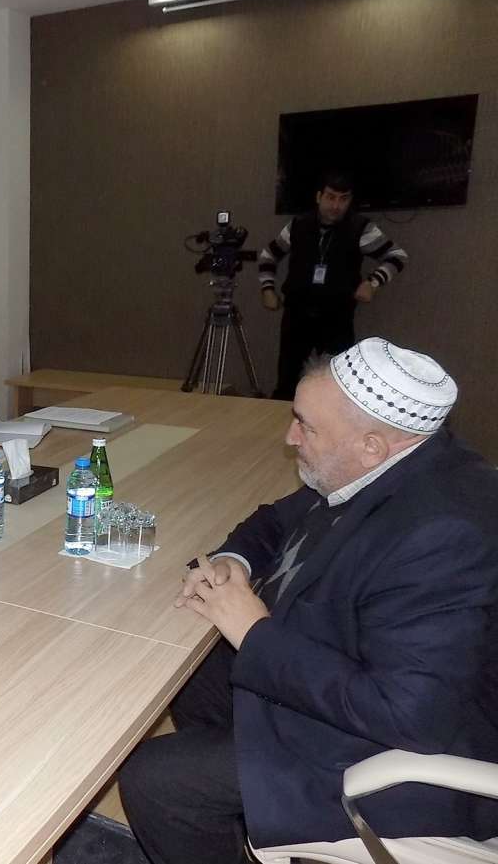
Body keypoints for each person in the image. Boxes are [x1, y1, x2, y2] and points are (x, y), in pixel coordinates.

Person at [118, 338, 498, 864]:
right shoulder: (387, 464)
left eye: (306, 426)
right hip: (346, 676)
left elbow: (407, 716)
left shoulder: (444, 536)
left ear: (371, 445)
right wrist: (236, 561)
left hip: (398, 757)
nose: (290, 436)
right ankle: (239, 802)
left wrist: (254, 633)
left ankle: (232, 796)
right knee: (186, 664)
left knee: (156, 779)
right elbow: (277, 519)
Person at [259, 171, 409, 401]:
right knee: (287, 382)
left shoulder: (361, 228)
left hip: (336, 317)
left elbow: (397, 256)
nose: (336, 205)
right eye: (330, 197)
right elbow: (268, 255)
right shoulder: (298, 225)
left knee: (336, 384)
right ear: (318, 197)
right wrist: (267, 288)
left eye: (343, 199)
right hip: (297, 314)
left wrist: (373, 282)